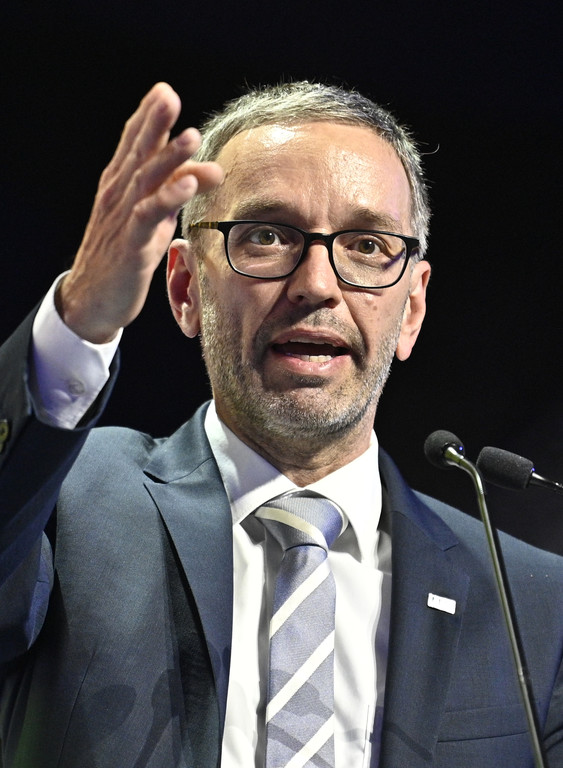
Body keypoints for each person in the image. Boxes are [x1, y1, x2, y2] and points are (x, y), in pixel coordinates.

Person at [0, 81, 561, 768]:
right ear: (184, 288)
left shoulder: (533, 604)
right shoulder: (59, 502)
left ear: (411, 310)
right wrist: (78, 322)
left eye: (366, 244)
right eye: (266, 236)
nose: (317, 284)